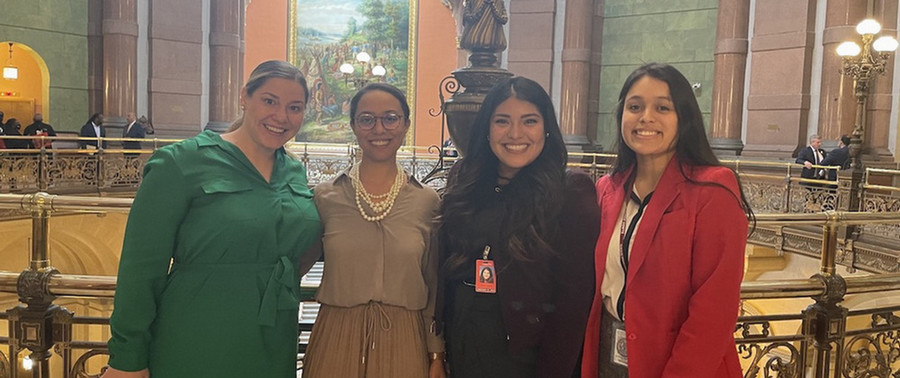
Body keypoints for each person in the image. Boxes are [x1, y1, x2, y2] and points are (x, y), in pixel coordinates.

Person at [103, 60, 322, 378]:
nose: (281, 116)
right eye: (269, 101)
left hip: (274, 337)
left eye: (295, 107)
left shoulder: (295, 172)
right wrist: (127, 357)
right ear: (244, 97)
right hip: (198, 332)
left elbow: (300, 242)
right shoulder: (180, 163)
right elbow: (140, 270)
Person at [581, 63, 752, 377]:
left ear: (683, 118)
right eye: (635, 107)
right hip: (609, 352)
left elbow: (714, 310)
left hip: (680, 361)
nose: (646, 117)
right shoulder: (608, 188)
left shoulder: (712, 189)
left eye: (662, 107)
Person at [439, 76, 599, 378]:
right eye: (502, 121)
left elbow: (573, 304)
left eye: (529, 121)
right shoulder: (465, 179)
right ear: (487, 128)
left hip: (525, 356)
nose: (515, 134)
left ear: (546, 128)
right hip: (462, 345)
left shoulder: (570, 192)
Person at [302, 83, 445, 378]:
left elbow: (434, 284)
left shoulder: (426, 201)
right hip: (336, 336)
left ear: (406, 125)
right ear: (353, 125)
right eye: (367, 119)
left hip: (406, 338)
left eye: (390, 118)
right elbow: (293, 265)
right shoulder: (325, 197)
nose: (379, 128)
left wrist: (436, 353)